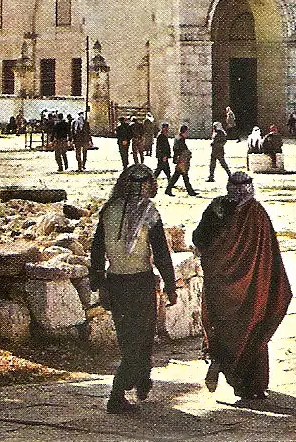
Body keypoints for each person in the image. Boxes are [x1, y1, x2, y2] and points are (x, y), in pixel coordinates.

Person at [193, 170, 291, 401]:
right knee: (252, 329)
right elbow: (269, 255)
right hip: (252, 287)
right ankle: (252, 385)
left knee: (225, 329)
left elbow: (199, 239)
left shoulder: (216, 208)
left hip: (221, 286)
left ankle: (226, 368)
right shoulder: (257, 214)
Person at [89, 164, 178, 413]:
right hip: (139, 283)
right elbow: (161, 252)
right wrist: (171, 285)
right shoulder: (150, 213)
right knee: (140, 339)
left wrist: (98, 281)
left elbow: (97, 249)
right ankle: (118, 393)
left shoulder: (108, 210)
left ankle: (140, 377)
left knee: (130, 338)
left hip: (116, 283)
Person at [171, 125, 194, 194]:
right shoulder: (181, 139)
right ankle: (190, 191)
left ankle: (168, 189)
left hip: (180, 159)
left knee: (177, 175)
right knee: (184, 175)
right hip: (182, 159)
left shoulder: (178, 137)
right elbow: (182, 149)